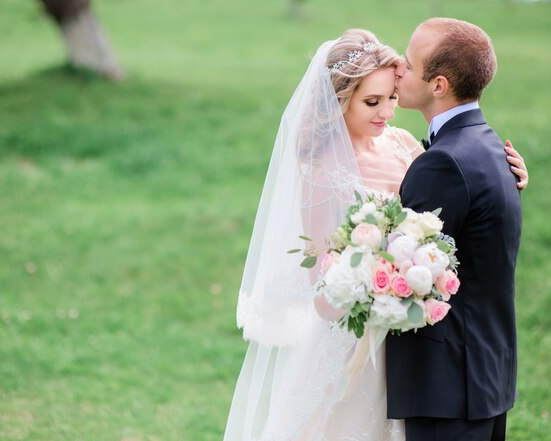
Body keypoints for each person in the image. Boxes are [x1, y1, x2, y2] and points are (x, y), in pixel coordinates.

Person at [224, 28, 527, 441]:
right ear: (339, 101)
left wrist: (506, 179)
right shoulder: (320, 173)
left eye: (391, 98)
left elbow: (454, 196)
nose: (386, 112)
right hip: (353, 343)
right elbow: (324, 290)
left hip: (415, 343)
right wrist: (371, 288)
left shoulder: (404, 145)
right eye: (371, 101)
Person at [385, 18, 522, 441]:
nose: (397, 67)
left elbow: (399, 269)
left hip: (448, 388)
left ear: (438, 84)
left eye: (408, 63)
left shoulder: (443, 163)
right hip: (485, 377)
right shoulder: (490, 147)